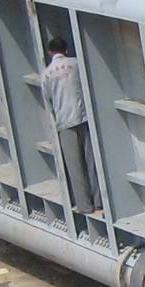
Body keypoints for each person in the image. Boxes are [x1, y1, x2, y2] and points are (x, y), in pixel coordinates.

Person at [42, 36, 100, 215]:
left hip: (64, 123)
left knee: (75, 168)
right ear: (66, 50)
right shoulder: (76, 64)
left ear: (50, 52)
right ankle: (99, 201)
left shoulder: (46, 74)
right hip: (83, 118)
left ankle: (85, 206)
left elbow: (48, 101)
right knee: (92, 163)